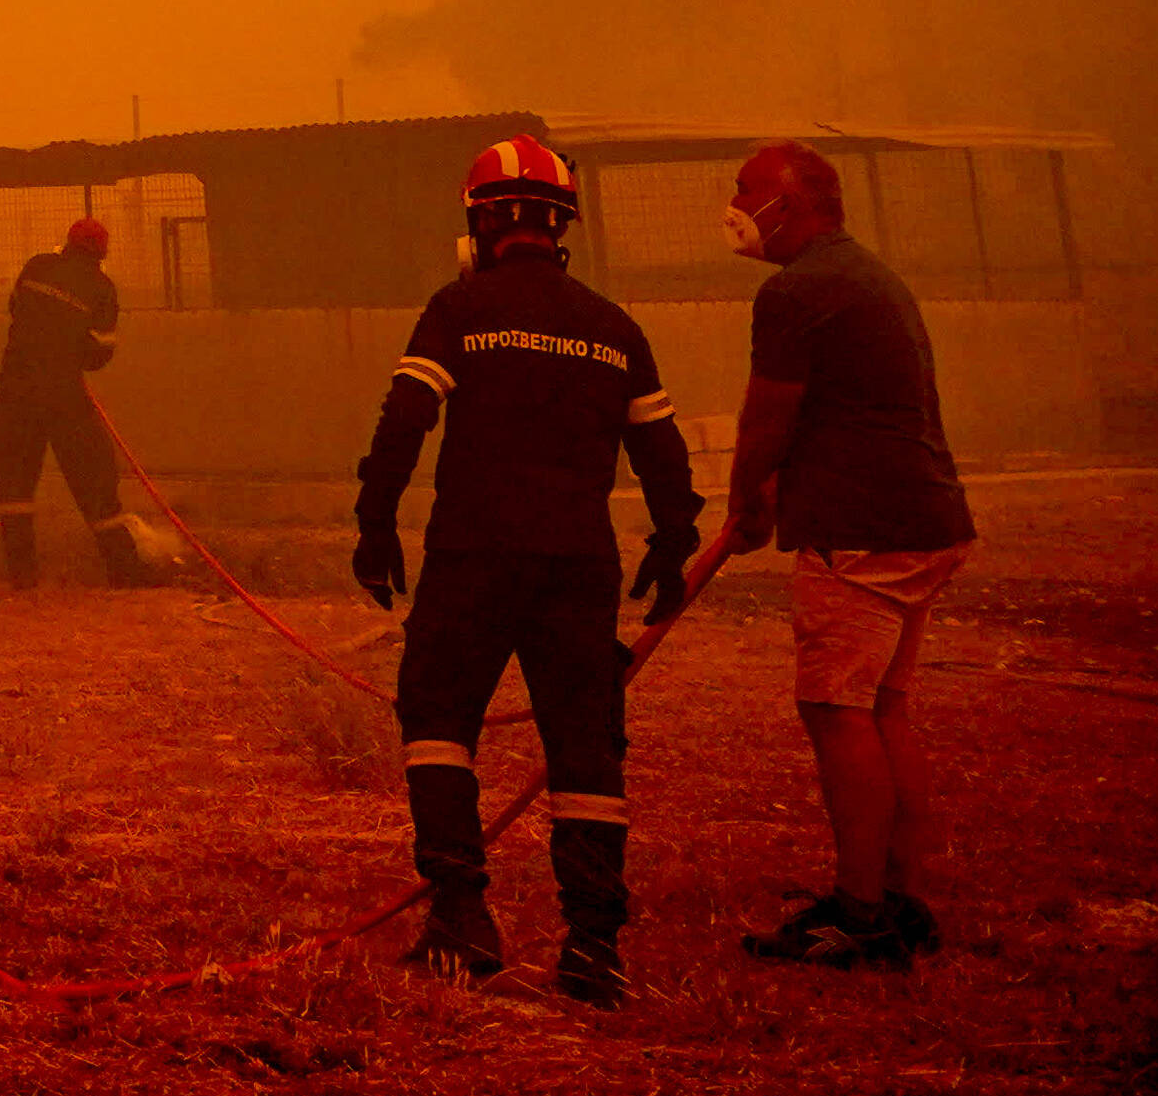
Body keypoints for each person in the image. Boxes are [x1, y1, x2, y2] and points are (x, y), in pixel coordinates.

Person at [355, 135, 702, 1005]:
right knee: (585, 750)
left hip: (472, 552)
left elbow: (405, 417)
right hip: (580, 565)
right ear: (563, 227)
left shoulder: (458, 308)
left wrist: (375, 521)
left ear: (479, 221)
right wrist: (672, 541)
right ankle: (592, 947)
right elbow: (662, 452)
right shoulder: (613, 326)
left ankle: (462, 918)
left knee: (438, 720)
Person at [718, 136, 976, 972]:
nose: (732, 202)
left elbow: (768, 417)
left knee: (837, 709)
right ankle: (899, 900)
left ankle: (861, 912)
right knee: (882, 708)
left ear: (786, 206)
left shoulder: (799, 290)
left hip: (861, 529)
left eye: (744, 189)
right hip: (925, 517)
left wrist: (744, 501)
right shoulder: (865, 273)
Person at [0, 212, 151, 586]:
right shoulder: (102, 287)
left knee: (15, 488)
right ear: (101, 254)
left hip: (15, 390)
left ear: (67, 243)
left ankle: (23, 579)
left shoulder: (38, 265)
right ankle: (125, 573)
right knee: (95, 481)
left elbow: (17, 309)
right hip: (63, 394)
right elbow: (99, 354)